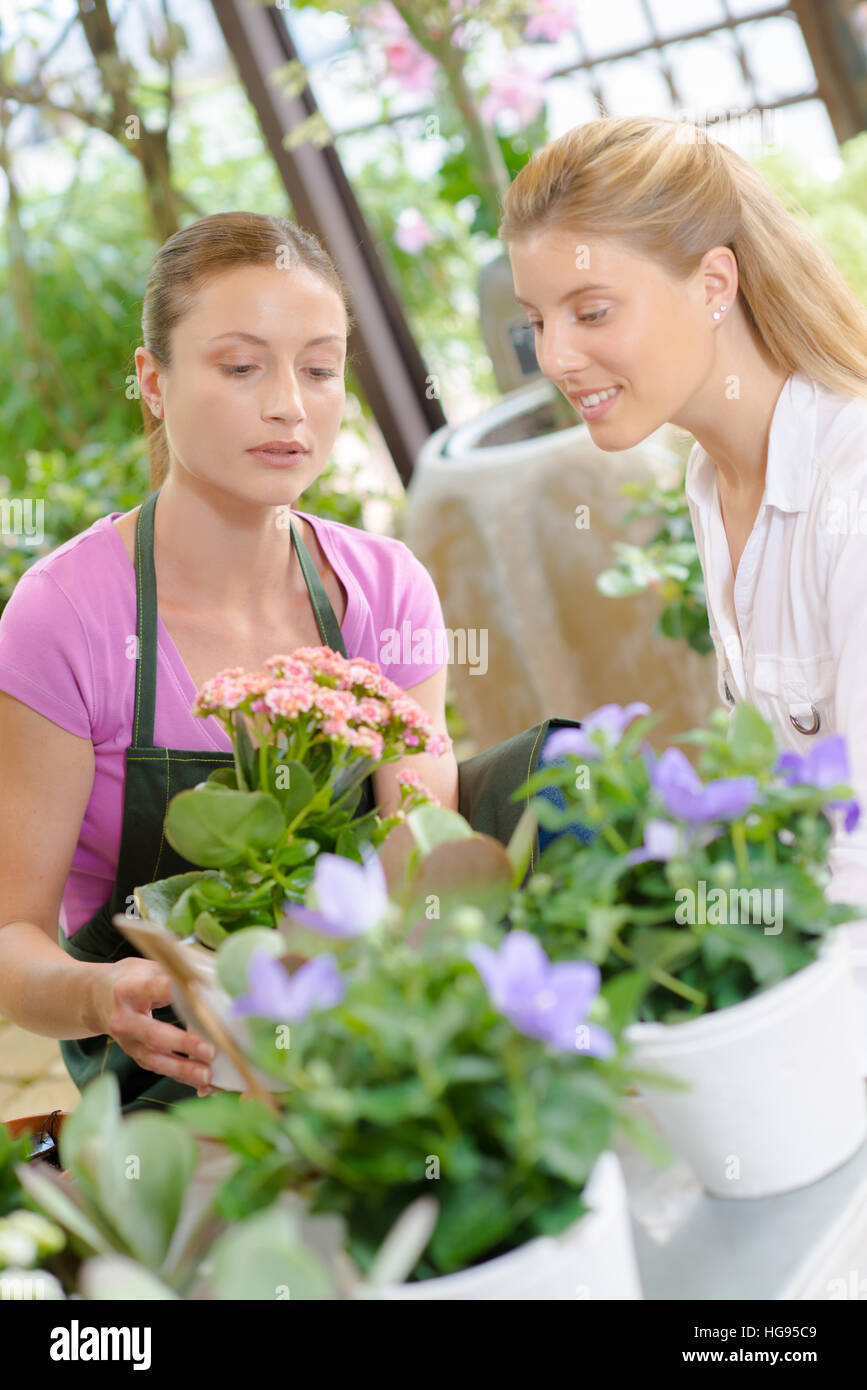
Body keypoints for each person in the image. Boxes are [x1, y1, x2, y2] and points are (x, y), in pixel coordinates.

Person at [0, 211, 458, 1112]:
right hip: (168, 1084)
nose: (289, 403)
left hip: (365, 1048)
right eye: (242, 366)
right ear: (153, 382)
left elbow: (420, 862)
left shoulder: (385, 591)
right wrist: (102, 996)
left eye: (320, 368)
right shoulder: (65, 617)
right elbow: (12, 940)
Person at [499, 115, 867, 906]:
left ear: (712, 286)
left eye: (591, 312)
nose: (555, 357)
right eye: (536, 322)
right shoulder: (713, 480)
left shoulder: (852, 486)